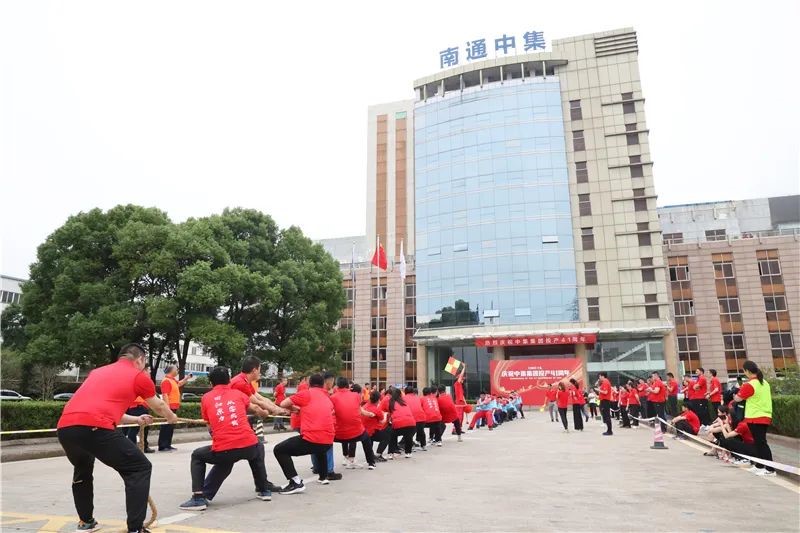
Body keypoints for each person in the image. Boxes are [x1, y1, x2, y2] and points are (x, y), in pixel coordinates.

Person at [57, 343, 178, 533]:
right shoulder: (138, 376)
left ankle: (86, 522)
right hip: (95, 427)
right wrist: (171, 417)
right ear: (140, 360)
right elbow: (159, 406)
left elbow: (106, 409)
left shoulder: (97, 373)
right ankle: (135, 529)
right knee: (139, 468)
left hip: (66, 428)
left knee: (82, 469)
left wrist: (136, 419)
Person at [179, 367, 280, 511]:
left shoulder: (206, 398)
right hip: (249, 447)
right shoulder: (239, 394)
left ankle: (198, 497)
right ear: (228, 380)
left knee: (198, 455)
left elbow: (209, 425)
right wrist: (265, 413)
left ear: (211, 383)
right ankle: (264, 490)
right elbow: (257, 409)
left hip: (225, 450)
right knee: (258, 447)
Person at [274, 373, 336, 494]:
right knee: (320, 447)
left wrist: (294, 409)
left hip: (312, 439)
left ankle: (295, 482)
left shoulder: (306, 393)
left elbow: (283, 404)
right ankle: (323, 477)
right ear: (323, 384)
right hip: (328, 441)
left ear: (309, 383)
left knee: (279, 450)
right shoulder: (327, 397)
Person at [734, 360, 776, 476]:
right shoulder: (764, 382)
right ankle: (760, 465)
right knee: (758, 442)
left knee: (761, 443)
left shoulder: (750, 384)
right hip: (764, 415)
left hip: (755, 417)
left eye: (744, 371)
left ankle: (770, 469)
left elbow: (738, 398)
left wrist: (737, 392)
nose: (744, 373)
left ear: (747, 371)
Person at [330, 377, 376, 470]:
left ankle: (325, 467)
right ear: (348, 385)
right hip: (356, 432)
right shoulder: (356, 396)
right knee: (366, 438)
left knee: (327, 441)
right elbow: (360, 411)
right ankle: (371, 463)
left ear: (337, 386)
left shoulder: (332, 397)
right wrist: (370, 414)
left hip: (338, 434)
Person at [157, 364, 193, 452]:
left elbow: (180, 383)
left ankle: (168, 444)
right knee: (166, 427)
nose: (177, 371)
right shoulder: (166, 381)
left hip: (173, 407)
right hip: (169, 407)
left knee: (170, 426)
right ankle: (163, 445)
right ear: (171, 370)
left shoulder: (172, 380)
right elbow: (165, 395)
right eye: (176, 369)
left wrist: (187, 378)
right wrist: (167, 409)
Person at [387, 388, 417, 458]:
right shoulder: (404, 402)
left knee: (392, 435)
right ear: (400, 395)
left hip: (398, 424)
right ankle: (408, 453)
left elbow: (390, 414)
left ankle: (391, 453)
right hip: (411, 423)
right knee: (408, 437)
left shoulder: (391, 402)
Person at [363, 391, 390, 461]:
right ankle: (378, 454)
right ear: (378, 400)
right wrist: (385, 414)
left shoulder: (364, 406)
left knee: (371, 436)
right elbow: (382, 421)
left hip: (363, 431)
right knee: (387, 436)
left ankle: (371, 455)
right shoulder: (376, 410)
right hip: (371, 432)